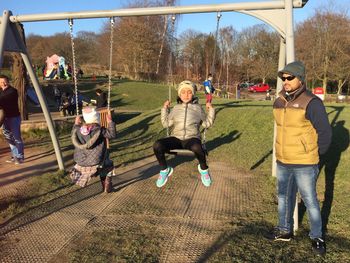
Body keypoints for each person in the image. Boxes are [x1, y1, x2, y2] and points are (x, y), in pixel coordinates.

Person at [267, 61, 332, 256]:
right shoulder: (278, 101)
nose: (285, 81)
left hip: (305, 162)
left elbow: (325, 133)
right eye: (283, 78)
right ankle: (284, 230)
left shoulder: (312, 102)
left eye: (289, 77)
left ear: (300, 79)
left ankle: (317, 236)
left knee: (310, 200)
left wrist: (313, 154)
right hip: (283, 160)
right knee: (283, 197)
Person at [153, 80, 215, 188]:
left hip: (191, 138)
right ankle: (164, 170)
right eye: (183, 92)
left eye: (189, 92)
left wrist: (211, 110)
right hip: (176, 138)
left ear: (193, 94)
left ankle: (204, 170)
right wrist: (164, 109)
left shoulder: (198, 108)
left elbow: (207, 124)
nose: (186, 95)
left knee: (197, 147)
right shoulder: (176, 108)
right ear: (179, 94)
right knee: (157, 145)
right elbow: (166, 123)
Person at [70, 106, 116, 193]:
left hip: (81, 161)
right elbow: (112, 135)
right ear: (96, 118)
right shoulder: (99, 130)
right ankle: (107, 185)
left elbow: (73, 131)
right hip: (96, 160)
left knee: (103, 164)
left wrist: (76, 123)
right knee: (108, 165)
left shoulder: (78, 129)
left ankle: (104, 183)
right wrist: (110, 121)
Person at [0, 75, 24, 164]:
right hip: (4, 119)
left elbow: (5, 99)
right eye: (1, 82)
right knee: (8, 137)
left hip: (14, 118)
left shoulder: (12, 91)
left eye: (5, 81)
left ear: (8, 81)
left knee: (16, 137)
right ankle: (15, 155)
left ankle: (20, 157)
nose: (3, 83)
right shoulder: (0, 91)